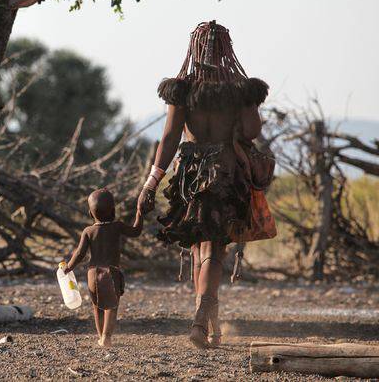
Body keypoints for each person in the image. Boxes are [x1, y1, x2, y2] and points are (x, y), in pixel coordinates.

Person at [137, 20, 268, 349]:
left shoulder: (182, 89)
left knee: (200, 246)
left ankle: (210, 324)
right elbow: (252, 132)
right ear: (227, 49)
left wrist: (151, 182)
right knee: (212, 248)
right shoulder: (239, 89)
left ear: (194, 49)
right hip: (225, 173)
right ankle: (201, 321)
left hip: (190, 175)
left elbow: (168, 139)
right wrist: (248, 103)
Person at [62, 188, 144, 348]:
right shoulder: (117, 226)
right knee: (111, 307)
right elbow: (136, 231)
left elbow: (79, 253)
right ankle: (106, 337)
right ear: (113, 210)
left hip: (92, 273)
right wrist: (140, 213)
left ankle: (100, 336)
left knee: (97, 306)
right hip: (111, 272)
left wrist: (68, 267)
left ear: (90, 213)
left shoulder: (88, 231)